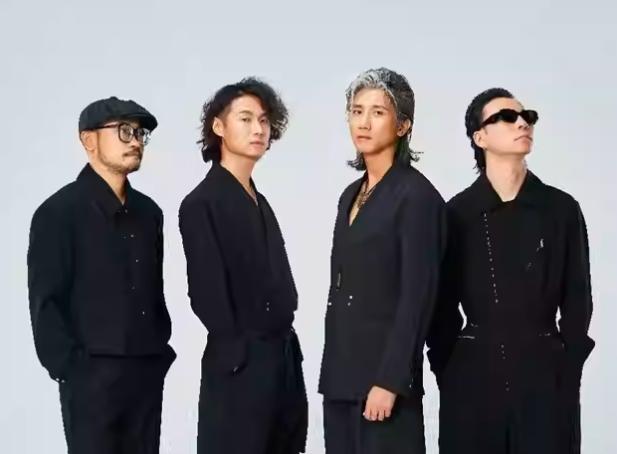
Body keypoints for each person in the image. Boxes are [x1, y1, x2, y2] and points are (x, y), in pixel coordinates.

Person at [427, 88, 595, 454]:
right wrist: (449, 370)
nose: (522, 123)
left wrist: (567, 369)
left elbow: (578, 298)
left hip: (545, 379)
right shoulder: (456, 214)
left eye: (527, 116)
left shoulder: (562, 209)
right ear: (480, 137)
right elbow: (441, 308)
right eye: (506, 117)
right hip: (472, 383)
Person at [27, 96, 175, 454]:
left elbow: (153, 291)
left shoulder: (149, 213)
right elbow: (46, 302)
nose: (135, 140)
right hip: (91, 379)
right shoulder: (58, 212)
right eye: (124, 131)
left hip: (146, 373)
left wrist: (158, 354)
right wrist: (73, 370)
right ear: (88, 140)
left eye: (139, 133)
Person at [318, 67, 446, 454]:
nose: (364, 122)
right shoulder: (349, 195)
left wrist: (391, 380)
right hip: (340, 377)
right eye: (357, 111)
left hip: (384, 380)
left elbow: (417, 297)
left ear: (403, 125)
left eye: (378, 112)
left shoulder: (417, 197)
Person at [179, 77, 307, 454]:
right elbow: (205, 293)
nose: (258, 129)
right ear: (219, 127)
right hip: (240, 364)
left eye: (264, 121)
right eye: (246, 119)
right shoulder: (201, 203)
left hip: (283, 361)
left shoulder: (259, 200)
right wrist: (239, 352)